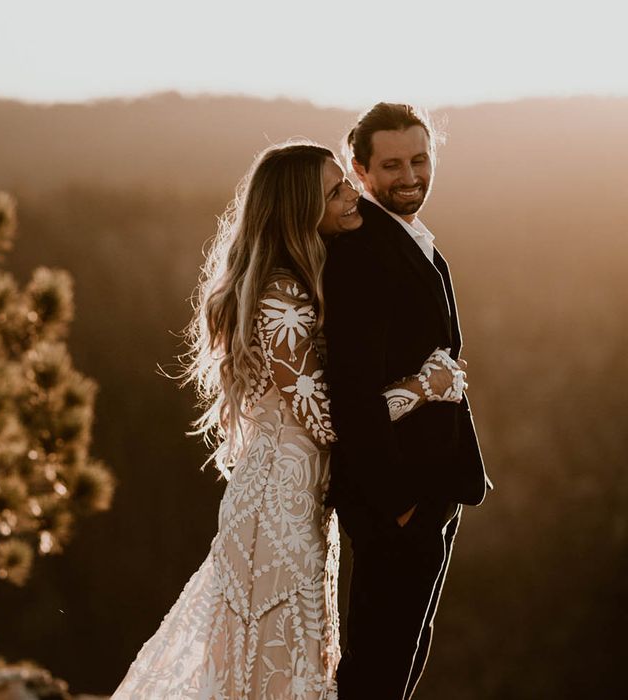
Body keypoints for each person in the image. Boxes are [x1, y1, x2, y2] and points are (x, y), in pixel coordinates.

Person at [110, 142, 464, 699]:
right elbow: (327, 418)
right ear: (301, 210)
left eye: (346, 183)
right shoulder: (282, 298)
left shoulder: (300, 279)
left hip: (302, 502)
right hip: (276, 509)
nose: (354, 195)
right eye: (337, 191)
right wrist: (423, 387)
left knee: (291, 659)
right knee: (273, 664)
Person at [323, 103, 493, 699]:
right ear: (360, 170)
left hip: (431, 489)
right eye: (391, 164)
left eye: (419, 159)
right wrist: (398, 504)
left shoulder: (406, 236)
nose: (410, 175)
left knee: (403, 661)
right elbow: (350, 388)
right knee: (376, 668)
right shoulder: (361, 251)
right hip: (396, 500)